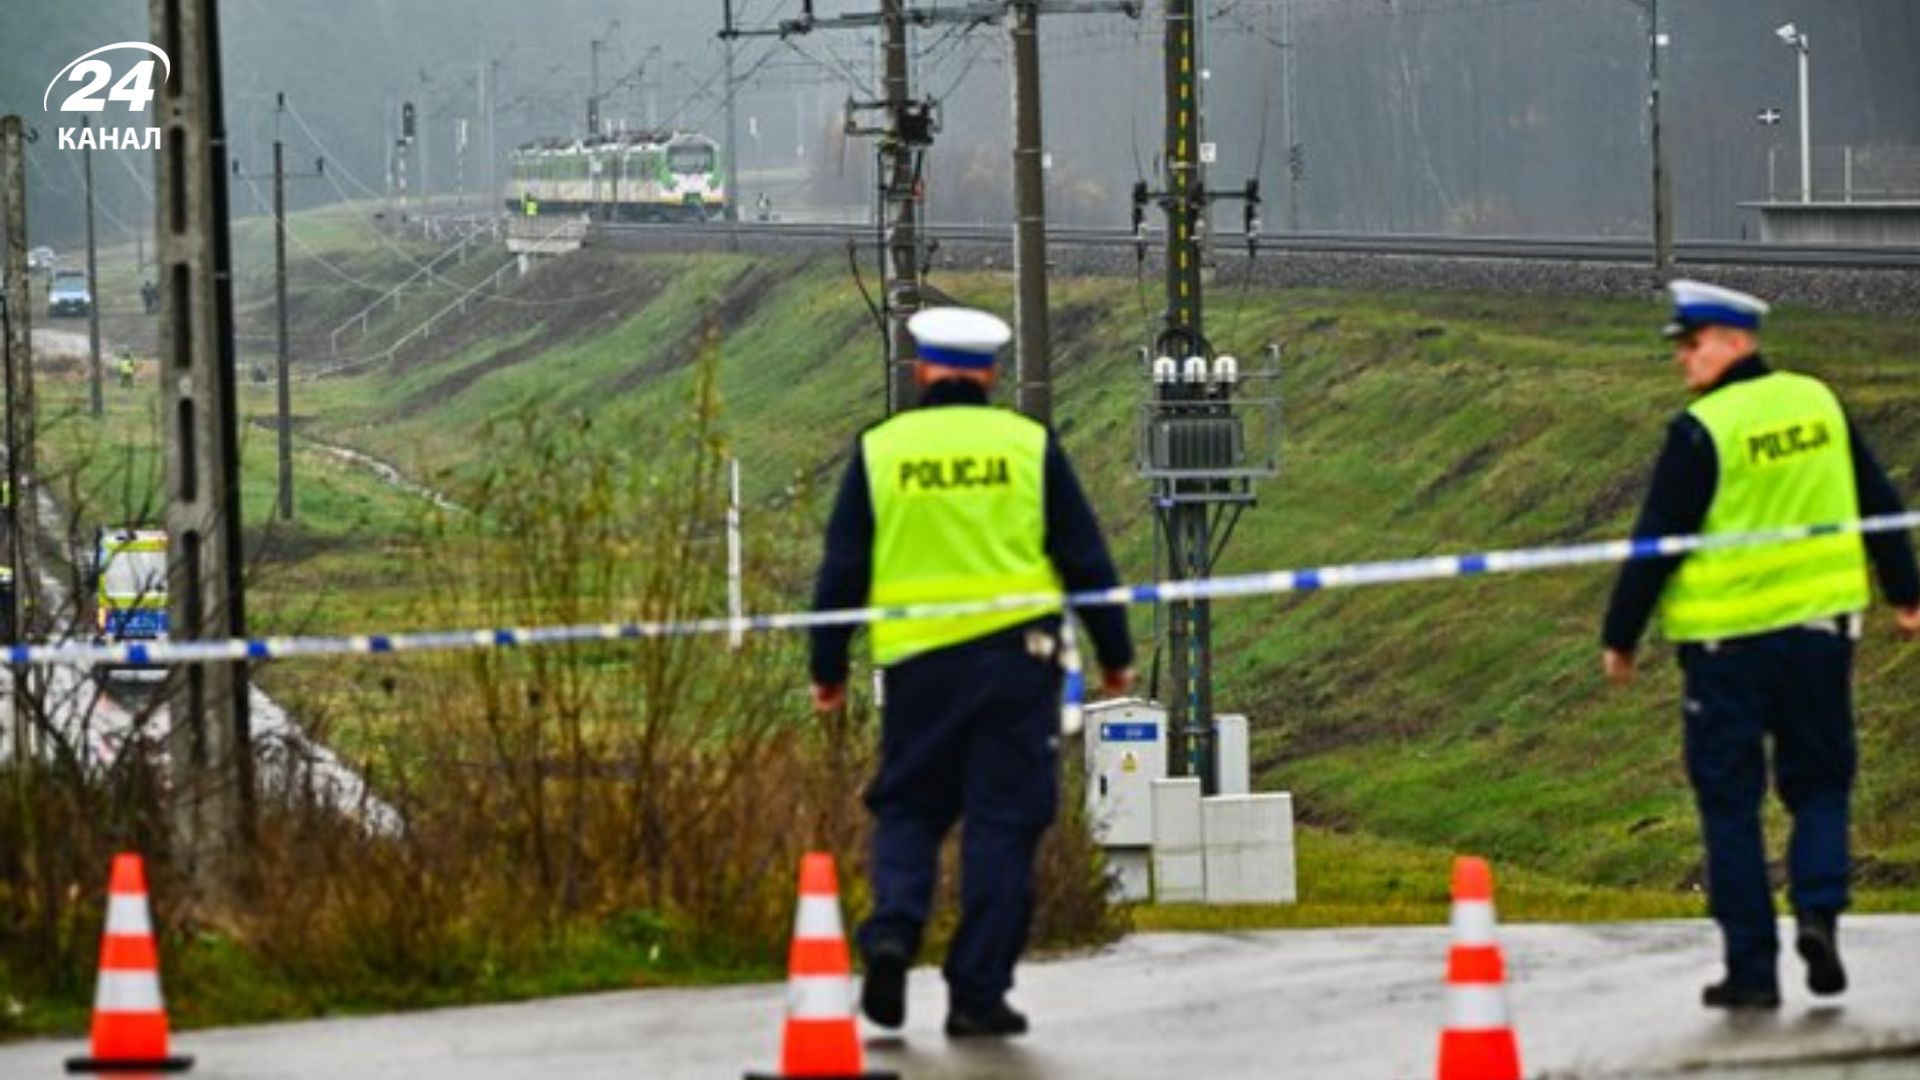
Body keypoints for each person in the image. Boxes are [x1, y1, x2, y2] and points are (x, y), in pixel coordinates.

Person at [809, 306, 1135, 1039]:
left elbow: (842, 569)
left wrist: (827, 667)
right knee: (1002, 821)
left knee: (910, 806)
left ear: (923, 368)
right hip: (1016, 670)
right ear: (989, 372)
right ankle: (977, 993)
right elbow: (1084, 557)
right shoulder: (1027, 447)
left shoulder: (881, 450)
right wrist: (1114, 652)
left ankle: (892, 931)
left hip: (918, 669)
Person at [1602, 279, 1920, 1010]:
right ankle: (1818, 913)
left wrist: (1621, 637)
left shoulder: (1701, 429)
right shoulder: (1819, 403)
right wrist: (1907, 591)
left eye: (1694, 343)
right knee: (1820, 783)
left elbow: (1657, 543)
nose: (1683, 359)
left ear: (1737, 342)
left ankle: (1750, 970)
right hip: (1820, 637)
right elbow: (1880, 503)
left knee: (1730, 803)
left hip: (1725, 653)